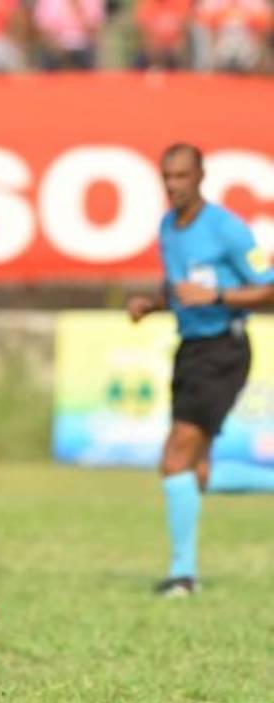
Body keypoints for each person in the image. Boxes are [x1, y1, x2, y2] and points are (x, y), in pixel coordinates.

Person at [126, 143, 274, 598]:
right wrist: (152, 304)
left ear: (201, 176)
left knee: (175, 460)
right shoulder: (168, 227)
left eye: (182, 176)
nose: (173, 185)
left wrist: (215, 298)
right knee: (197, 471)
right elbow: (177, 287)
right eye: (167, 176)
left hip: (224, 350)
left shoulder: (229, 229)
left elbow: (268, 289)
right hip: (190, 349)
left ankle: (182, 575)